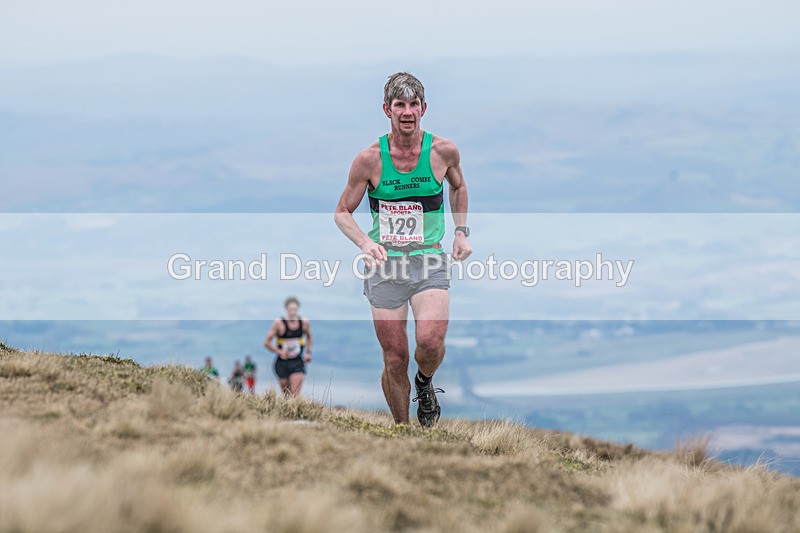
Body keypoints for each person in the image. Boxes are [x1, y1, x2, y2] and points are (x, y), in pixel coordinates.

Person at [334, 72, 472, 428]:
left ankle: (424, 383)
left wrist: (460, 232)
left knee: (429, 341)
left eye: (413, 104)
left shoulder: (443, 151)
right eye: (400, 105)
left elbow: (458, 187)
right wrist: (366, 242)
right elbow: (342, 212)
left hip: (428, 258)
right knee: (395, 357)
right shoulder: (369, 160)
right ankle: (403, 430)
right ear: (387, 110)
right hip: (386, 267)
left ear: (424, 108)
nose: (407, 111)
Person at [264, 296, 313, 397]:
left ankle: (296, 409)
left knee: (294, 396)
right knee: (286, 394)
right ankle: (287, 410)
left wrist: (308, 352)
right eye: (291, 309)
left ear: (298, 309)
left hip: (297, 361)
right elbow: (267, 343)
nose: (293, 312)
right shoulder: (279, 323)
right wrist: (279, 351)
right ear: (286, 309)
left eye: (295, 309)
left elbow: (309, 337)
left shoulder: (304, 323)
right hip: (282, 362)